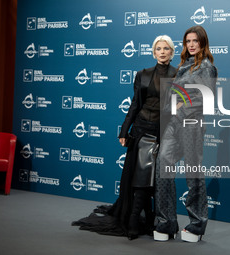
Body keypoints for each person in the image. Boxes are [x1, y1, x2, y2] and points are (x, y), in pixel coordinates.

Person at [72, 35, 176, 240]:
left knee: (154, 179)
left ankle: (148, 218)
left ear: (172, 52)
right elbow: (135, 105)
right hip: (141, 131)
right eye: (158, 48)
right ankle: (133, 219)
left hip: (163, 133)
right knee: (140, 176)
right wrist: (124, 130)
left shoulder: (178, 75)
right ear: (153, 52)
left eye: (166, 48)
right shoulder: (143, 75)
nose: (162, 52)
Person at [153, 26, 217, 242]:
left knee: (193, 173)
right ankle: (166, 222)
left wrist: (180, 108)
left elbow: (205, 99)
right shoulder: (184, 66)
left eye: (195, 41)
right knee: (163, 165)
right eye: (187, 41)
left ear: (202, 43)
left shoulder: (206, 67)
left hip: (192, 124)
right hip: (173, 125)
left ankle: (197, 225)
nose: (191, 44)